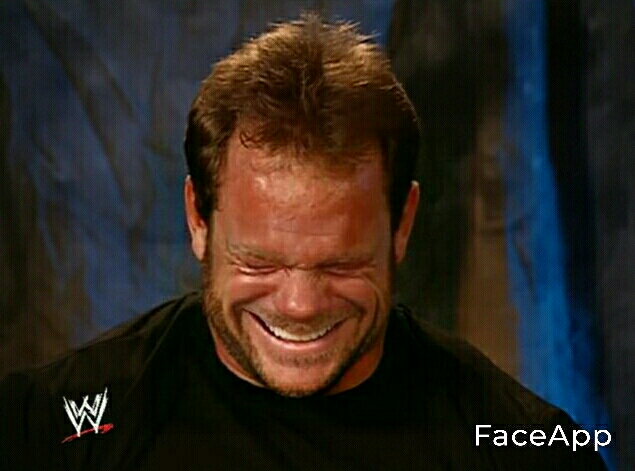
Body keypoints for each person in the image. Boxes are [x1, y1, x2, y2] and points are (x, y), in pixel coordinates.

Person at [0, 13, 609, 471]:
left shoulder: (523, 447)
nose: (299, 305)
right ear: (198, 219)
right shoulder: (48, 428)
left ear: (402, 224)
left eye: (341, 264)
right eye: (259, 262)